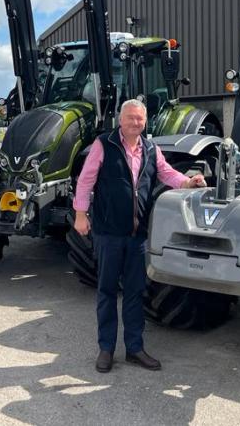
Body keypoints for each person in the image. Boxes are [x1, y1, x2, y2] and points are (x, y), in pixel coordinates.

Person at [73, 98, 206, 373]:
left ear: (145, 122)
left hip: (137, 235)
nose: (135, 122)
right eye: (130, 117)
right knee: (107, 291)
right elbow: (85, 180)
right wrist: (80, 214)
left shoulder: (150, 148)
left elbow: (166, 173)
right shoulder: (104, 144)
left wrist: (187, 181)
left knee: (135, 292)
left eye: (140, 118)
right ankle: (106, 349)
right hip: (109, 232)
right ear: (120, 120)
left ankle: (134, 348)